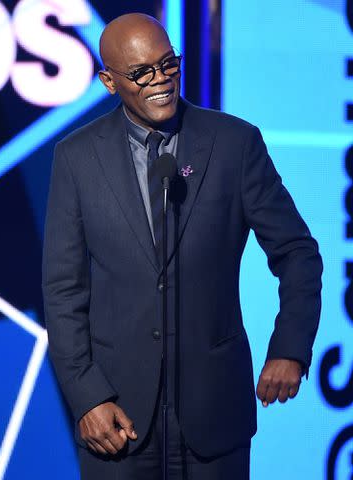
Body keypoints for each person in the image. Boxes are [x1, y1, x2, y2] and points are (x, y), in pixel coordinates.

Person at [41, 12, 323, 480]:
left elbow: (297, 252)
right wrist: (87, 395)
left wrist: (291, 346)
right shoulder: (76, 157)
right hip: (116, 416)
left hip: (216, 412)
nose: (161, 81)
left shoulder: (235, 143)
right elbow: (63, 289)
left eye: (168, 63)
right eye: (141, 73)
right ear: (109, 82)